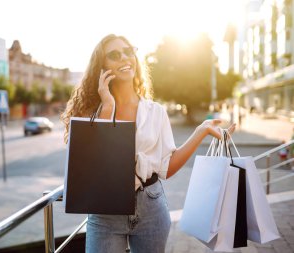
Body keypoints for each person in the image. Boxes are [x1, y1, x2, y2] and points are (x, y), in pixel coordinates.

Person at [61, 34, 236, 253]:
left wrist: (200, 131)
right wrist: (107, 106)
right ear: (102, 66)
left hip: (151, 207)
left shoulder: (156, 112)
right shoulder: (90, 112)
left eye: (128, 51)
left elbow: (167, 168)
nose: (125, 58)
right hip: (104, 214)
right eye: (114, 55)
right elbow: (93, 162)